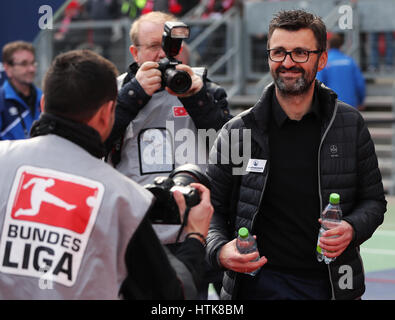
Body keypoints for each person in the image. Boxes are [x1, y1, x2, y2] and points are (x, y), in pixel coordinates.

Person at [0, 49, 213, 299]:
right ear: (107, 112)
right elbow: (171, 295)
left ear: (43, 103)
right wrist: (196, 235)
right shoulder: (123, 199)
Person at [206, 9, 387, 300]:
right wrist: (219, 249)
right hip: (256, 285)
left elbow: (374, 201)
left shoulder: (350, 124)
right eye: (278, 52)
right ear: (268, 57)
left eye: (300, 53)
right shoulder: (238, 131)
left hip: (331, 285)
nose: (288, 63)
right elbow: (210, 209)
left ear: (322, 59)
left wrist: (352, 228)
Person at [105, 11, 230, 299]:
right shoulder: (115, 90)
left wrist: (197, 99)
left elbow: (234, 152)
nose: (163, 54)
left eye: (170, 45)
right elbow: (94, 144)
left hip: (197, 228)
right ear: (135, 52)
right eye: (152, 46)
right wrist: (133, 96)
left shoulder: (205, 88)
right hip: (137, 229)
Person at [0, 41, 42, 140]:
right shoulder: (2, 100)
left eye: (33, 63)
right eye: (24, 64)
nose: (31, 69)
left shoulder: (44, 98)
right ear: (7, 68)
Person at [316, 33, 365, 110]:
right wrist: (361, 101)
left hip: (331, 105)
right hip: (350, 105)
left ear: (328, 45)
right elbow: (360, 84)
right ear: (340, 46)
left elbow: (318, 84)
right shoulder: (350, 61)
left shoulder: (324, 62)